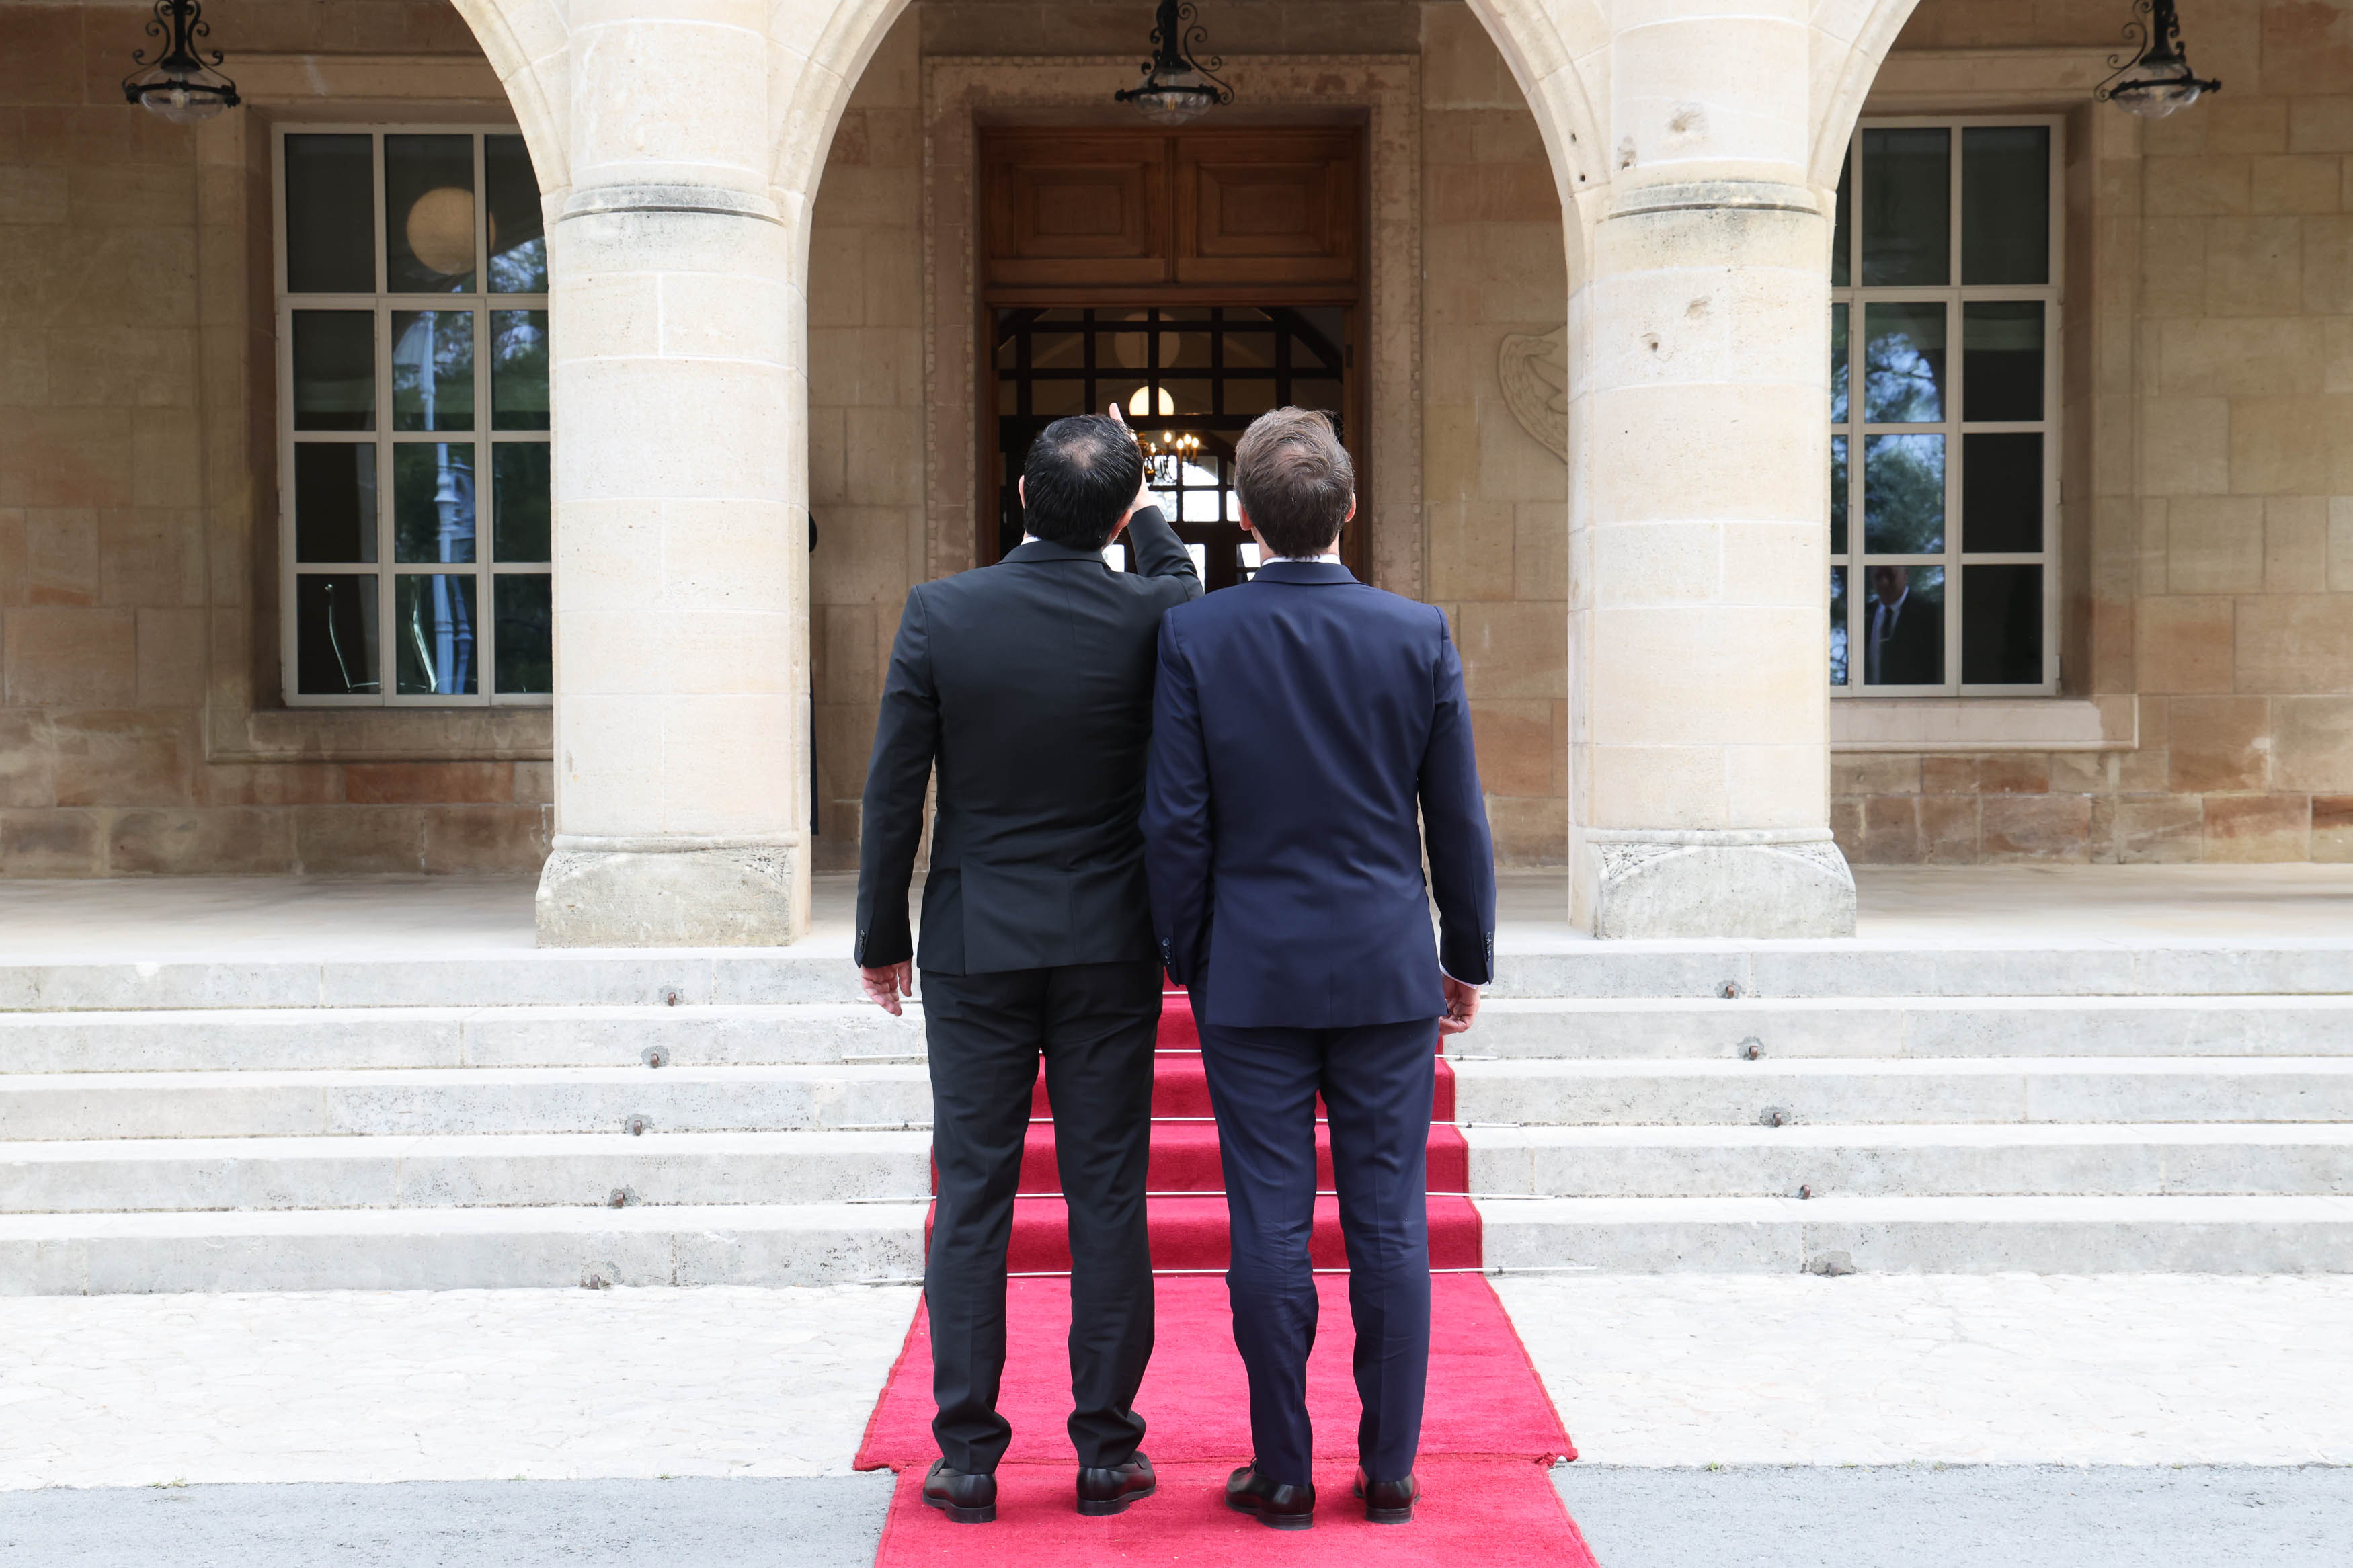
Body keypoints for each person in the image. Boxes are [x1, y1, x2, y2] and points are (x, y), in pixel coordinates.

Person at [1140, 407, 1496, 1530]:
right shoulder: (1417, 632)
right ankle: (1388, 1468)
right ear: (1350, 508)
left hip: (1253, 966)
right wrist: (1466, 953)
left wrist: (1191, 951)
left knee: (1271, 1224)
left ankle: (1283, 1470)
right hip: (1387, 964)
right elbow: (1459, 820)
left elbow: (1175, 824)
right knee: (1390, 1221)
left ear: (1242, 521)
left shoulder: (1199, 636)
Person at [854, 409, 1201, 1524]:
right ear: (1118, 510)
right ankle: (1105, 1448)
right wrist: (1142, 518)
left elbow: (893, 790)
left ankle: (966, 1455)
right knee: (1107, 1194)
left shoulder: (942, 613)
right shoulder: (1157, 609)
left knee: (975, 1196)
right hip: (1107, 939)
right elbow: (1180, 577)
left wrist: (880, 937)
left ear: (1016, 495)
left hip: (973, 941)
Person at [1865, 564, 1942, 686]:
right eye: (1878, 577)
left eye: (1890, 576)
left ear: (1906, 574)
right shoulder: (1864, 614)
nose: (1884, 583)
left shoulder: (1930, 613)